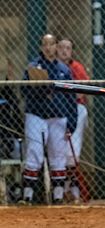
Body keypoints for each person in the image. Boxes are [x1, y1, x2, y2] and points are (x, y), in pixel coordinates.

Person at [20, 34, 77, 204]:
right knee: (34, 152)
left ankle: (58, 196)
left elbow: (71, 98)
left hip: (58, 116)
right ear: (40, 47)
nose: (48, 48)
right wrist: (39, 89)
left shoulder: (63, 69)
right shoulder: (33, 67)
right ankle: (27, 196)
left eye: (51, 44)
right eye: (44, 44)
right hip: (36, 114)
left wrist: (71, 123)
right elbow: (24, 92)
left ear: (56, 46)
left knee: (58, 155)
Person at [57, 38, 90, 203]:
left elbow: (80, 93)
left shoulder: (76, 67)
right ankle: (62, 190)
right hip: (55, 111)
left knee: (72, 153)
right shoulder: (52, 66)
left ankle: (73, 191)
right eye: (61, 47)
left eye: (68, 48)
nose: (64, 51)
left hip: (76, 109)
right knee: (58, 152)